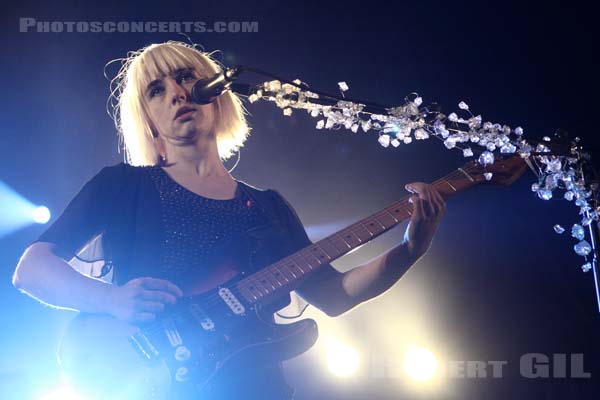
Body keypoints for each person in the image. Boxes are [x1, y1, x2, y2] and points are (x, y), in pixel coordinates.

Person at [12, 41, 445, 399]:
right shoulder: (123, 185)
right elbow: (32, 268)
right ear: (148, 123)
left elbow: (333, 295)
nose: (178, 93)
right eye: (156, 90)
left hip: (254, 386)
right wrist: (110, 300)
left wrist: (411, 249)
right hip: (156, 381)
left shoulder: (268, 207)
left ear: (216, 96)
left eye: (185, 77)